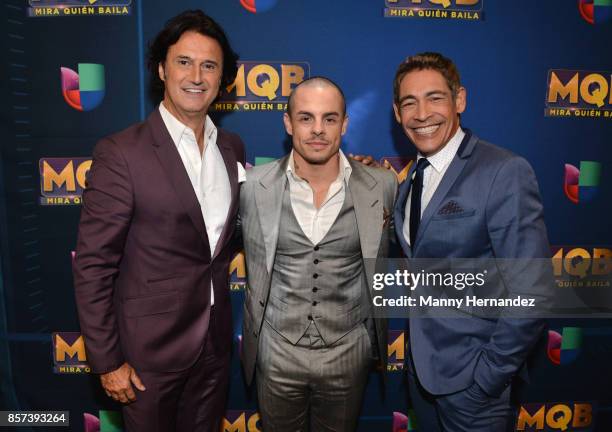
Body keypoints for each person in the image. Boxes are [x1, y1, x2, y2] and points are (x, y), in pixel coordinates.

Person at [73, 10, 245, 431]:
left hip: (215, 347)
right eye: (184, 62)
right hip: (146, 355)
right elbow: (93, 264)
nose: (197, 76)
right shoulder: (122, 153)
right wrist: (108, 360)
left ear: (223, 79)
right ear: (161, 69)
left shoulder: (232, 148)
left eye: (210, 65)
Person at [392, 52, 550, 431]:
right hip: (422, 379)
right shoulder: (412, 177)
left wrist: (487, 380)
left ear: (459, 100)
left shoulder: (503, 170)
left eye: (435, 98)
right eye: (409, 102)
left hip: (475, 388)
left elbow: (534, 291)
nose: (422, 113)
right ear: (397, 114)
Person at [239, 77, 397, 432]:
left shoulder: (383, 184)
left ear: (344, 123)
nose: (317, 130)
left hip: (348, 351)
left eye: (329, 118)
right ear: (288, 123)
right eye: (306, 118)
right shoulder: (252, 187)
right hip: (276, 350)